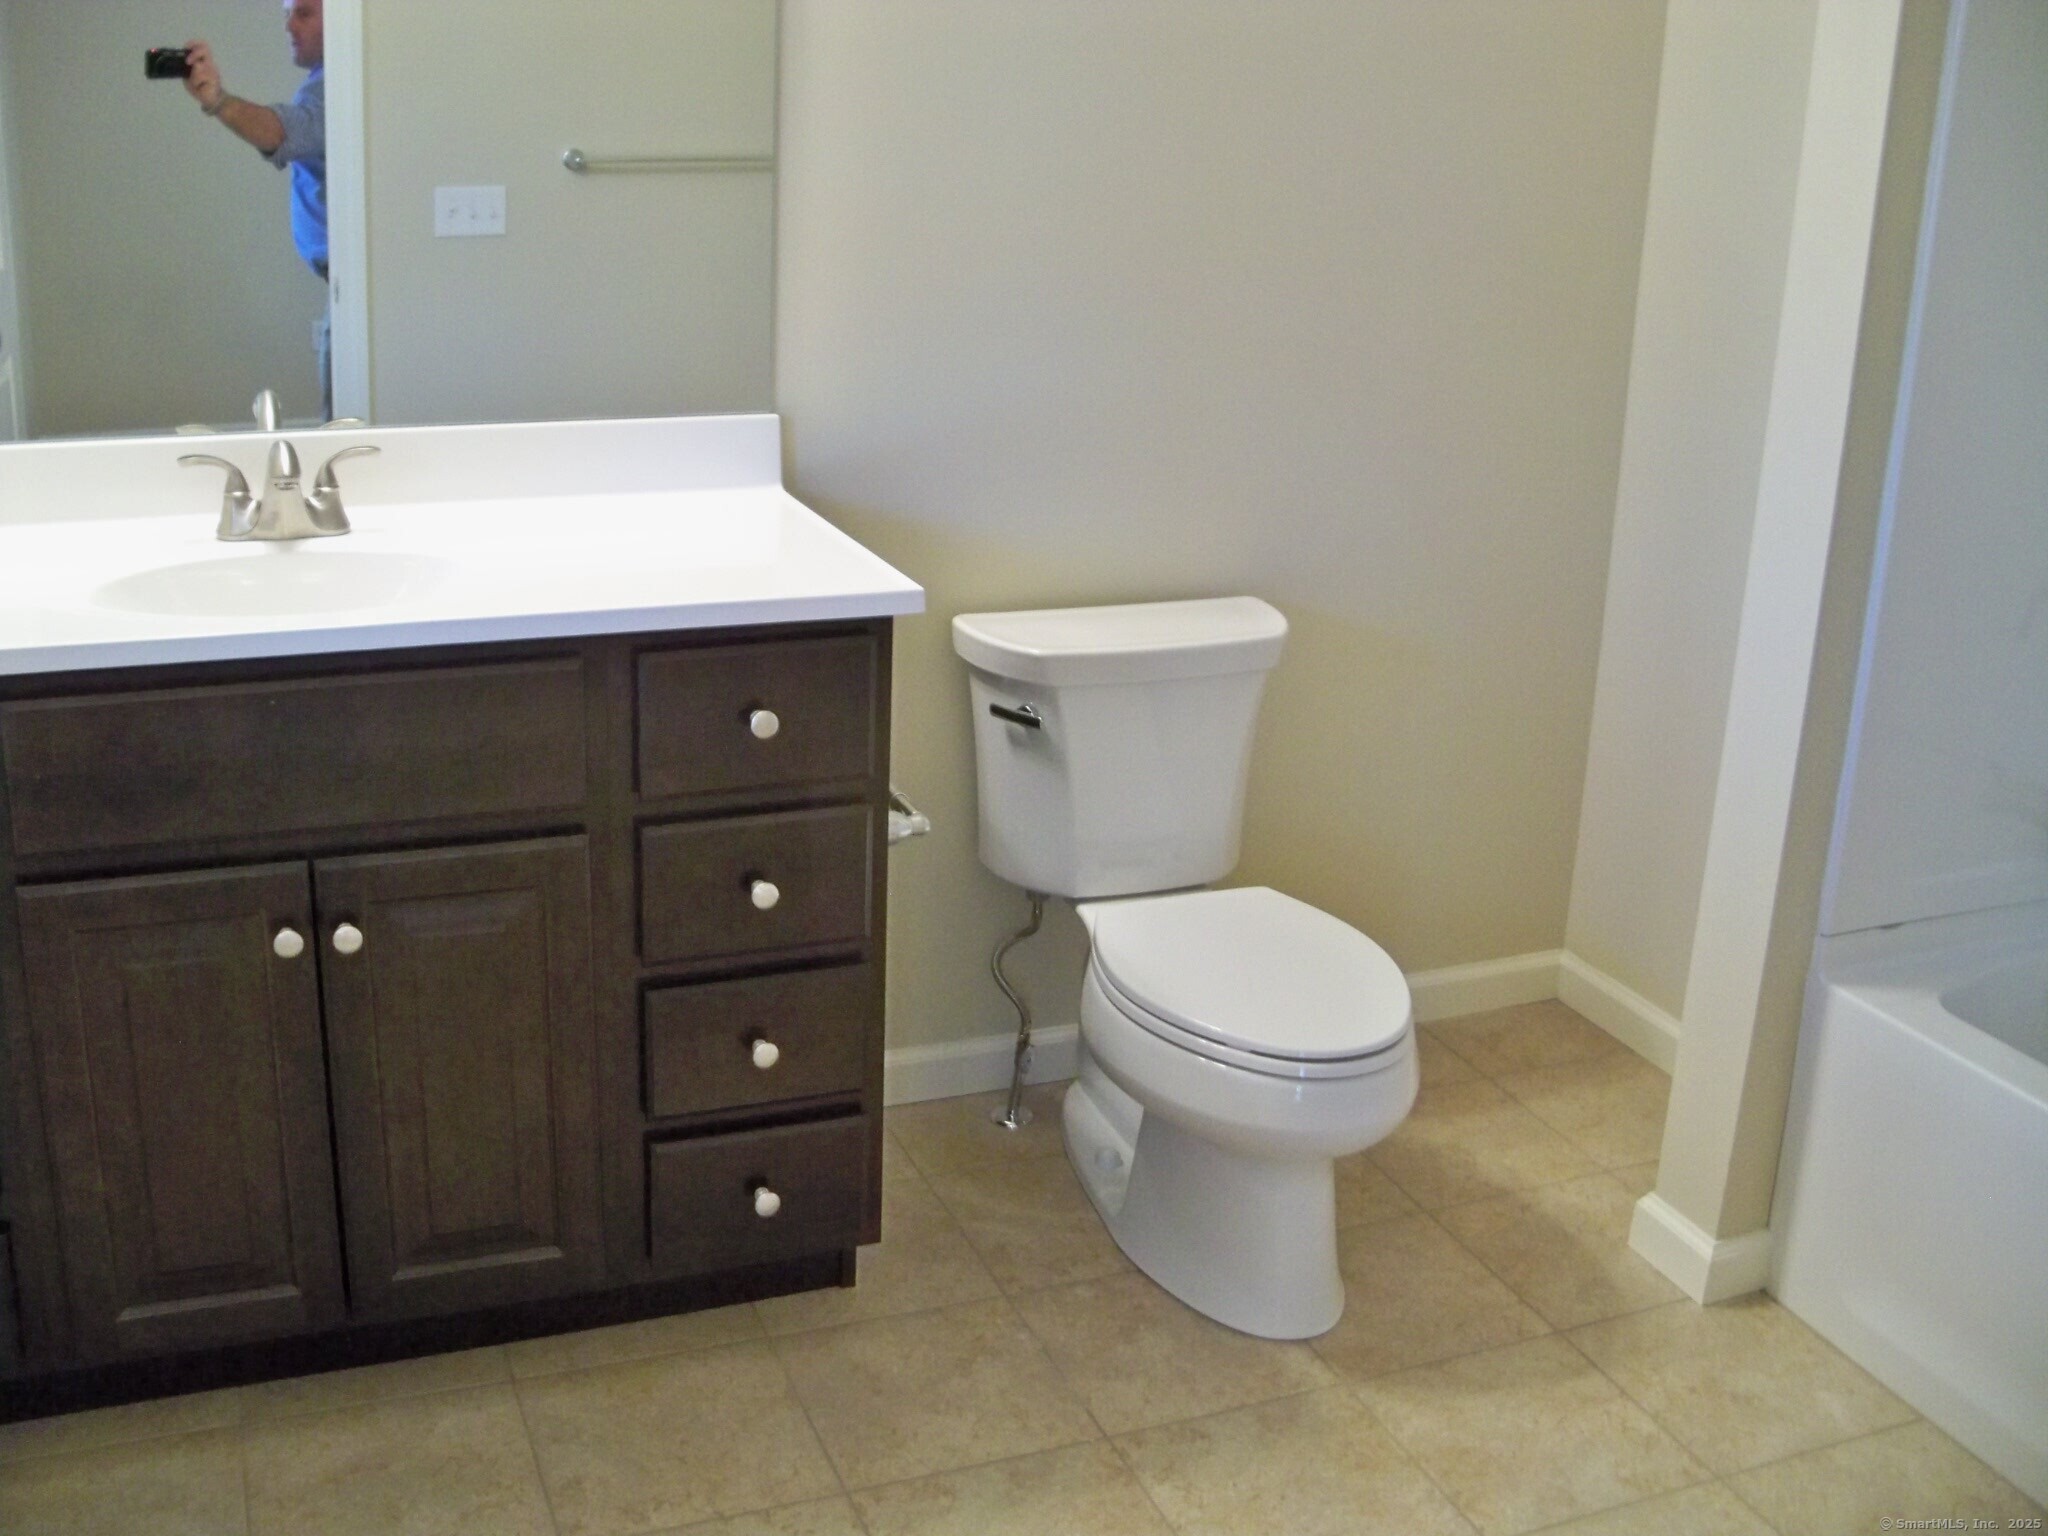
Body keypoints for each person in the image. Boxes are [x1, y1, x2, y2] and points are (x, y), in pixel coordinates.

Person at [182, 0, 330, 418]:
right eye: (286, 13)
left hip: (348, 285)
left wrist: (216, 100)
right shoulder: (325, 82)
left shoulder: (335, 84)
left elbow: (283, 132)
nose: (288, 26)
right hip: (339, 285)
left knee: (341, 427)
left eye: (303, 13)